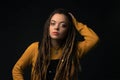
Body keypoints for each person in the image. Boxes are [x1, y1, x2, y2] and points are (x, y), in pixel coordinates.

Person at [12, 8, 99, 80]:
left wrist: (75, 23)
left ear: (68, 30)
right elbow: (17, 69)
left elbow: (94, 39)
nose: (56, 27)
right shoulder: (35, 48)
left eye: (63, 25)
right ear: (48, 27)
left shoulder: (74, 50)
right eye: (53, 23)